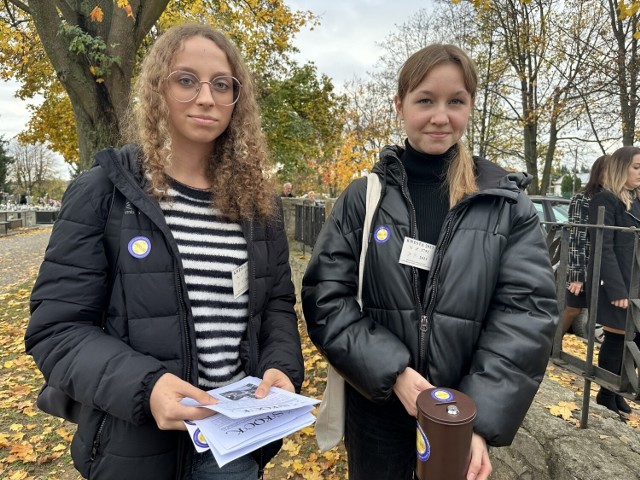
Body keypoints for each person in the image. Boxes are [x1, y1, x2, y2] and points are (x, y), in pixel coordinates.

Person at [25, 24, 304, 480]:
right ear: (158, 88)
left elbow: (275, 304)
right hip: (133, 446)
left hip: (231, 447)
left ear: (238, 99)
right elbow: (56, 330)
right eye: (186, 80)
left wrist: (281, 366)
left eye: (221, 84)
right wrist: (147, 387)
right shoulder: (104, 192)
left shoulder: (258, 205)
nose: (206, 98)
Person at [302, 44, 558, 480]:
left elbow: (526, 315)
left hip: (460, 415)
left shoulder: (506, 206)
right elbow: (326, 298)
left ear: (470, 106)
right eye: (425, 100)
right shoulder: (363, 199)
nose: (441, 116)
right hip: (377, 408)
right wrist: (394, 372)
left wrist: (476, 419)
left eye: (455, 101)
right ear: (400, 105)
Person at [587, 145, 640, 416]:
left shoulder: (635, 199)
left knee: (633, 339)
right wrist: (617, 288)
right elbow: (602, 247)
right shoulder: (605, 200)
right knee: (618, 339)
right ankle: (606, 393)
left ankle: (615, 391)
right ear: (622, 168)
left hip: (636, 284)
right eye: (636, 167)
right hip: (619, 284)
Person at [562, 155, 608, 335]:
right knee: (573, 309)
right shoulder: (582, 198)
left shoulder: (618, 198)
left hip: (607, 266)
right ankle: (549, 348)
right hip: (586, 263)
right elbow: (576, 237)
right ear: (599, 172)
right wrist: (576, 274)